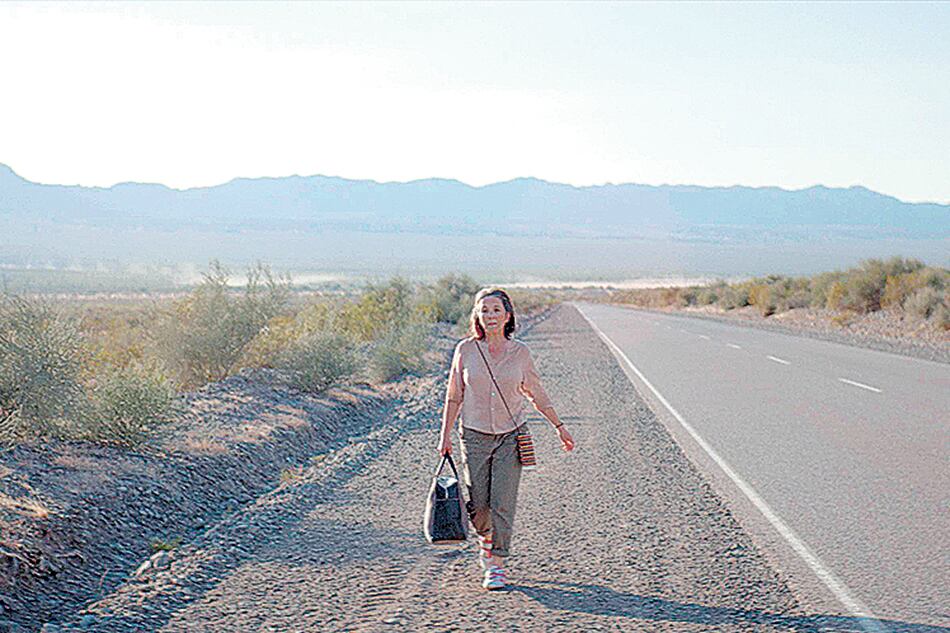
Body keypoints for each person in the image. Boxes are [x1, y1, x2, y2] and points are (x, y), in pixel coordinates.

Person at [439, 287, 574, 590]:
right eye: (484, 310)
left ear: (508, 315)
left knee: (503, 503)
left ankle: (495, 563)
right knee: (479, 505)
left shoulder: (521, 352)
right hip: (473, 436)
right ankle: (486, 540)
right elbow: (453, 396)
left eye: (496, 310)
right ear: (477, 315)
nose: (490, 316)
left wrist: (559, 426)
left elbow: (537, 393)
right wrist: (444, 435)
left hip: (510, 437)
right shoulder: (465, 350)